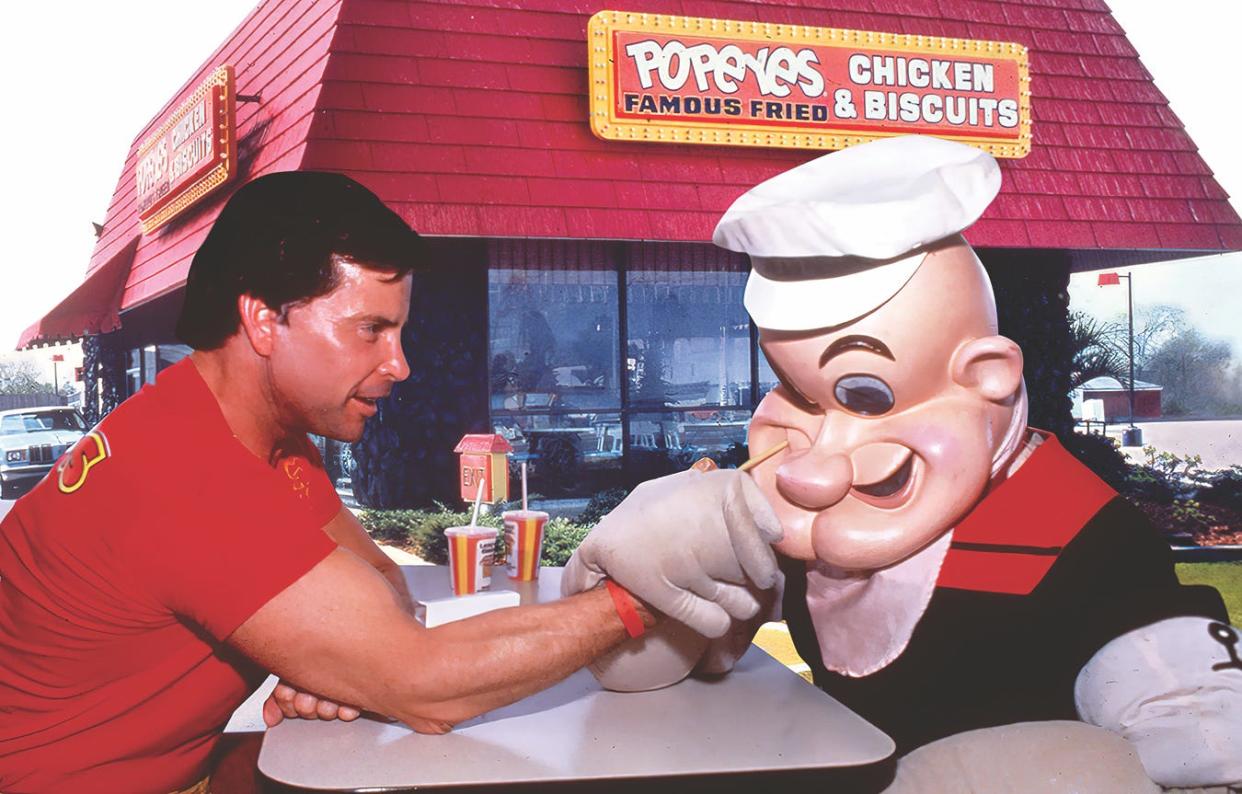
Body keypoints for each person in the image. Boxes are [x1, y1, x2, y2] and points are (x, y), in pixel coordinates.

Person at [0, 172, 780, 793]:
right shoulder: (186, 474)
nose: (399, 365)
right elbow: (423, 685)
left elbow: (381, 589)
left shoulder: (255, 439)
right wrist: (639, 600)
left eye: (400, 331)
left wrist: (342, 661)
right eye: (370, 329)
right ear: (264, 320)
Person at [564, 136, 1242, 791]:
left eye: (866, 395)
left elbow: (1205, 733)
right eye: (798, 390)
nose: (819, 459)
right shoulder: (803, 511)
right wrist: (654, 575)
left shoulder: (1081, 537)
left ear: (988, 376)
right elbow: (662, 669)